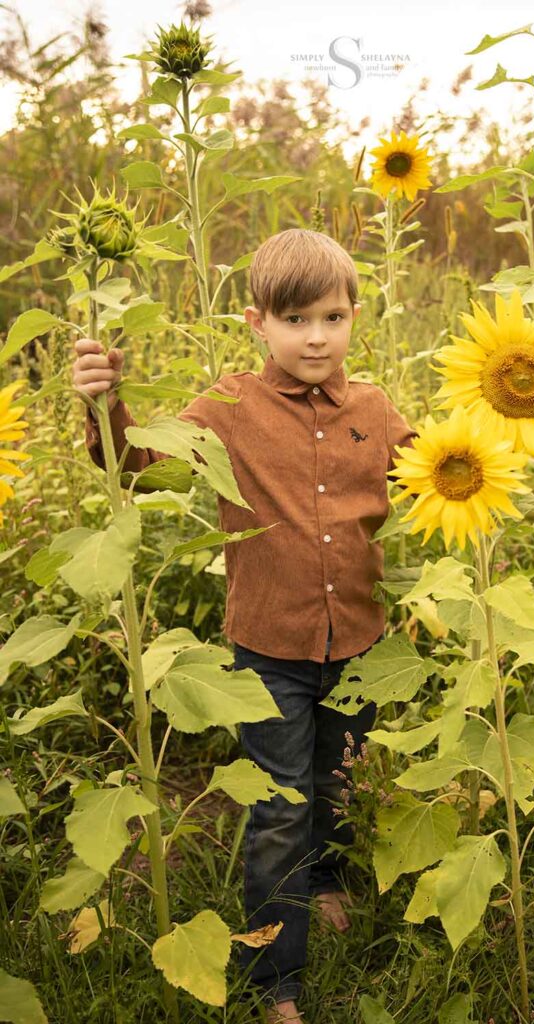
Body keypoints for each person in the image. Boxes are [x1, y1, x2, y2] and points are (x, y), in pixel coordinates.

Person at [73, 227, 417, 1024]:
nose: (317, 337)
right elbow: (140, 466)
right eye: (296, 320)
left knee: (339, 777)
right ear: (257, 320)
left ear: (355, 315)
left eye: (333, 317)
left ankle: (327, 881)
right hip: (269, 650)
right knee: (278, 808)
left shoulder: (374, 408)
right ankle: (276, 982)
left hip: (361, 644)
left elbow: (431, 474)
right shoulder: (228, 406)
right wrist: (106, 403)